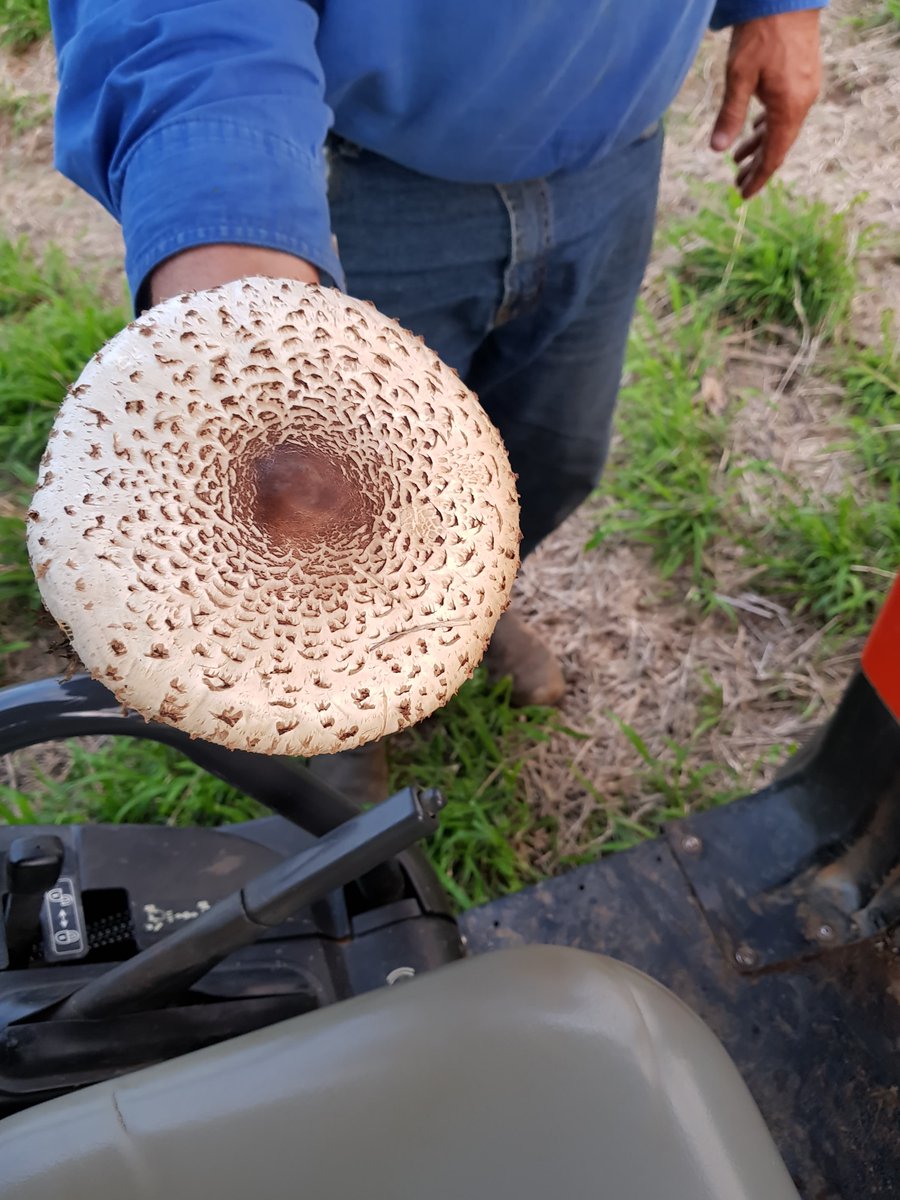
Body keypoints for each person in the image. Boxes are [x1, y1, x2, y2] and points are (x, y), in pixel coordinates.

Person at [48, 1, 824, 801]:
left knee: (556, 451)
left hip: (615, 150)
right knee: (339, 525)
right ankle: (352, 700)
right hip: (366, 172)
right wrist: (241, 278)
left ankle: (464, 611)